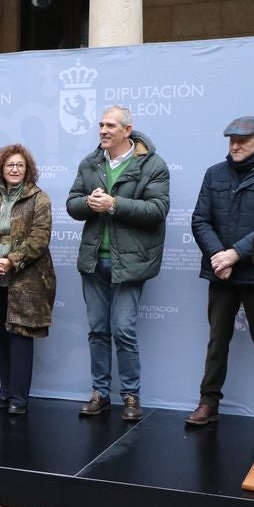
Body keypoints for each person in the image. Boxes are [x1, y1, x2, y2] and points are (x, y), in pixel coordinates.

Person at [66, 105, 170, 421]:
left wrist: (114, 205)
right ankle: (100, 393)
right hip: (94, 260)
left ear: (127, 130)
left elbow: (157, 210)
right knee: (98, 330)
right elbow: (72, 204)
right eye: (100, 125)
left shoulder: (153, 164)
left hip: (130, 263)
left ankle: (130, 396)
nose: (103, 130)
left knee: (122, 329)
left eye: (110, 125)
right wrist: (88, 203)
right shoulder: (90, 162)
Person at [188, 116, 254, 433]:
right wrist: (220, 256)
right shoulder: (214, 173)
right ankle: (208, 402)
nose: (235, 145)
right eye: (231, 140)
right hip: (222, 274)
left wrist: (235, 253)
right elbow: (200, 220)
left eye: (242, 140)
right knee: (217, 341)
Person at [0, 144, 56, 415]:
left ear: (27, 169)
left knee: (20, 337)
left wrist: (11, 260)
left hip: (26, 281)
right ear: (0, 169)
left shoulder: (39, 199)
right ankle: (4, 392)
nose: (15, 169)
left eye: (20, 165)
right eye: (10, 165)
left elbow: (39, 238)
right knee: (2, 337)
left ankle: (19, 398)